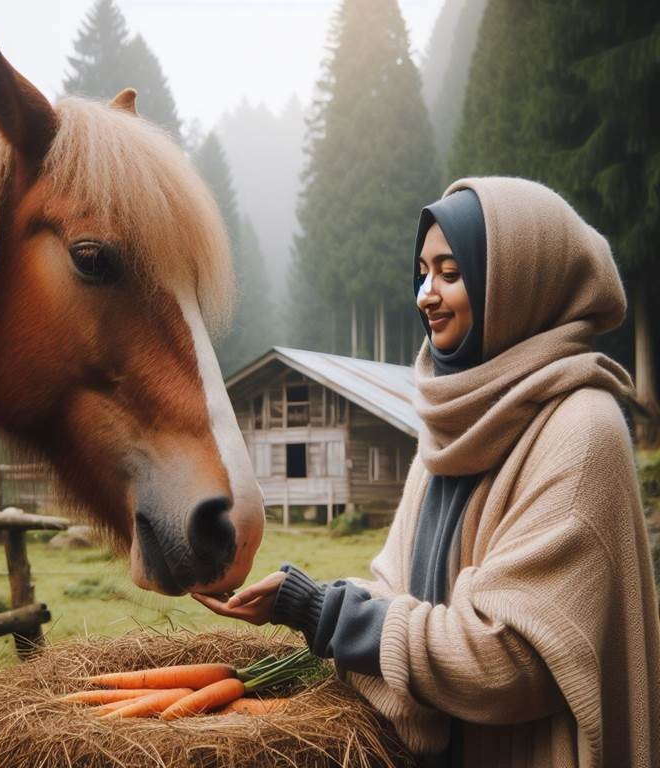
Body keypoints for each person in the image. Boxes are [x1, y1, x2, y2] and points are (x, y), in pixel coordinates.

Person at [193, 177, 660, 767]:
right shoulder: (450, 422)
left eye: (450, 272)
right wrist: (302, 597)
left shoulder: (581, 431)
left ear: (516, 285)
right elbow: (399, 594)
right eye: (421, 272)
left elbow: (506, 661)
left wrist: (325, 612)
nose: (425, 295)